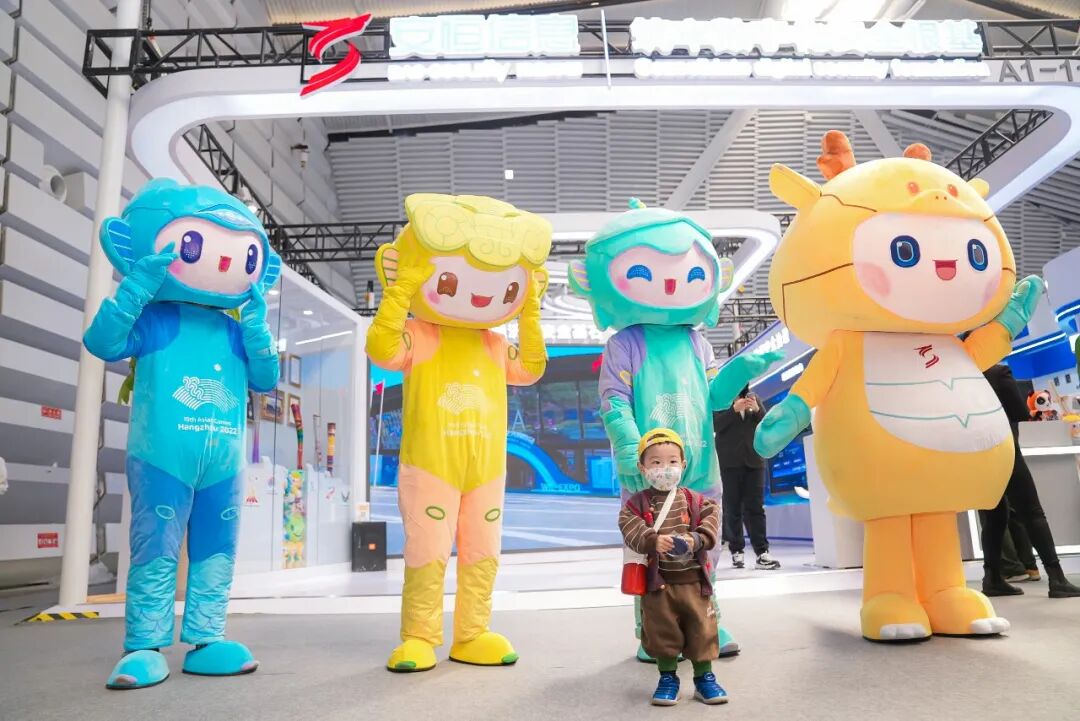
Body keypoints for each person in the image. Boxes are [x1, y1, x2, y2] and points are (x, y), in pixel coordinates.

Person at [619, 429, 728, 706]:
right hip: (658, 585)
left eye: (672, 461)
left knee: (702, 629)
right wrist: (652, 540)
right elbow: (628, 526)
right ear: (642, 468)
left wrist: (695, 539)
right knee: (662, 631)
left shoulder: (696, 500)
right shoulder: (636, 503)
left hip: (695, 583)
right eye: (655, 462)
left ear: (683, 464)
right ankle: (668, 678)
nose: (664, 468)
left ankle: (704, 678)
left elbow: (712, 519)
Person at [980, 363, 1080, 598]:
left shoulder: (961, 373)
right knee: (1032, 512)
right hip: (1005, 450)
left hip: (977, 456)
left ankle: (992, 577)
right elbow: (1019, 412)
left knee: (994, 516)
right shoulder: (998, 372)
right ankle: (1056, 578)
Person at [714, 386, 779, 570]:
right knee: (732, 508)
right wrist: (733, 411)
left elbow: (767, 424)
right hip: (729, 463)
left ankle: (762, 552)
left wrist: (757, 410)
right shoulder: (721, 402)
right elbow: (714, 426)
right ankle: (736, 550)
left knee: (756, 507)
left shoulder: (754, 398)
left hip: (755, 461)